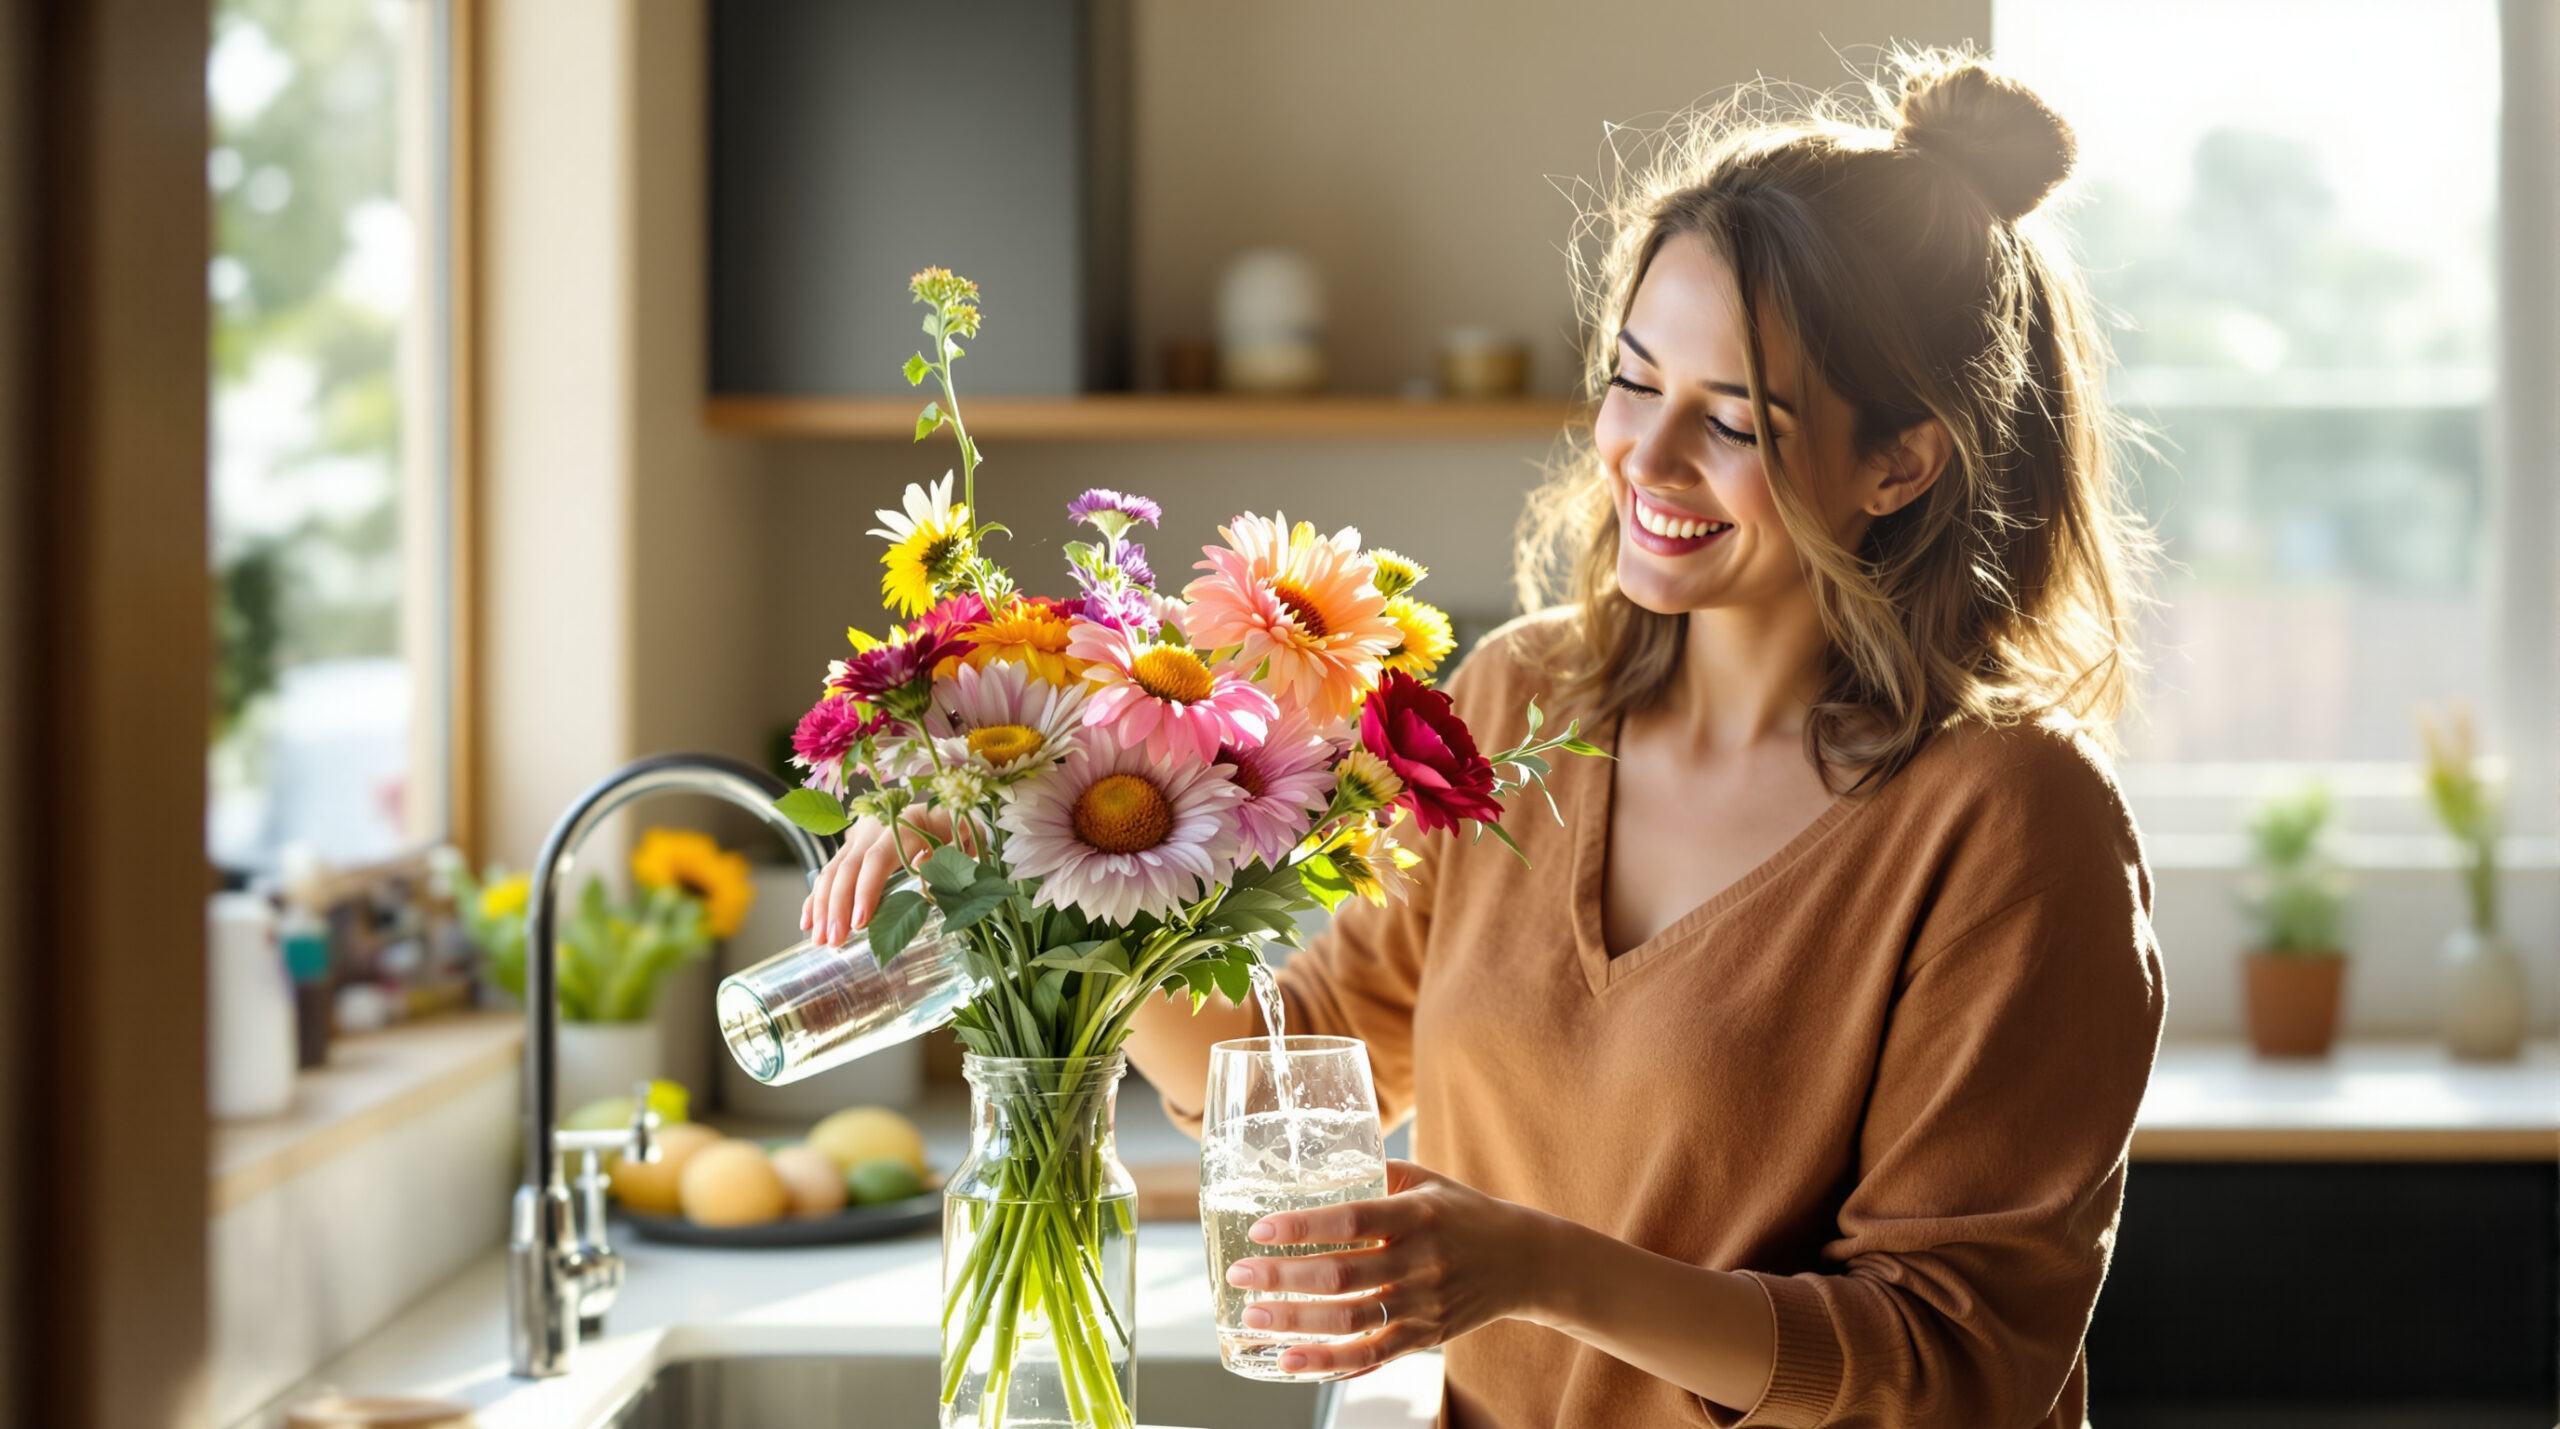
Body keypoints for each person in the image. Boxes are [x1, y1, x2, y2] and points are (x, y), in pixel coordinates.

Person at [806, 48, 2162, 1429]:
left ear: (1901, 461)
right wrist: (1012, 856)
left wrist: (1535, 1268)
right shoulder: (1529, 703)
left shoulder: (2013, 817)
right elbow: (1280, 1069)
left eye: (1733, 422)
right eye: (1633, 381)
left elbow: (1958, 1368)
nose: (1645, 459)